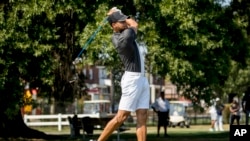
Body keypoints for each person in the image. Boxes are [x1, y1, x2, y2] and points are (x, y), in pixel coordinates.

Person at [97, 7, 150, 141]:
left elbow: (127, 23)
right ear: (114, 25)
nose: (125, 22)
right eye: (121, 21)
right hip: (132, 80)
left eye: (124, 20)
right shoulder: (125, 36)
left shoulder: (121, 33)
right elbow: (134, 24)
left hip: (142, 79)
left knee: (142, 116)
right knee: (121, 117)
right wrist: (120, 14)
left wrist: (114, 14)